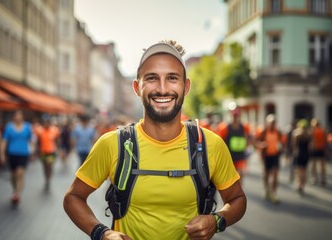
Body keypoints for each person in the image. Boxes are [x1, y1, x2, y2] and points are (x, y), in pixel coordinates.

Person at [64, 40, 247, 240]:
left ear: (185, 86)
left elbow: (237, 199)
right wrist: (102, 233)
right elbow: (73, 197)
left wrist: (217, 221)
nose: (162, 88)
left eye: (172, 78)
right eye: (152, 78)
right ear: (137, 87)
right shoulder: (113, 144)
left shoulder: (210, 145)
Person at [0, 110, 33, 206]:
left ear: (23, 117)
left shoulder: (27, 127)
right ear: (13, 117)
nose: (18, 117)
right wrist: (2, 154)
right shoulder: (9, 127)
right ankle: (14, 190)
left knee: (20, 173)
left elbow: (31, 140)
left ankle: (17, 194)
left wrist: (33, 150)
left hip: (23, 153)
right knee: (13, 175)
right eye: (16, 115)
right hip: (12, 154)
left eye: (20, 115)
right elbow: (4, 141)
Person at [256, 114, 284, 204]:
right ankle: (266, 189)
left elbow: (283, 142)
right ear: (267, 123)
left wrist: (281, 147)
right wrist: (261, 145)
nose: (272, 124)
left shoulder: (278, 132)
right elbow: (256, 142)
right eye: (271, 122)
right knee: (266, 174)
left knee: (275, 174)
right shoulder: (263, 132)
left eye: (274, 122)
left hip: (275, 156)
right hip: (266, 156)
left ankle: (274, 193)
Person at [218, 108, 251, 184]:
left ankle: (239, 191)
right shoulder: (224, 128)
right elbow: (220, 140)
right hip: (229, 155)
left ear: (239, 116)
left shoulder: (244, 127)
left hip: (240, 154)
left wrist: (248, 143)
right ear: (231, 116)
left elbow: (248, 137)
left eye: (237, 116)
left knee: (240, 173)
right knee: (230, 176)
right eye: (234, 116)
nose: (235, 117)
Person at [35, 115, 60, 191]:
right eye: (45, 122)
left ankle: (48, 178)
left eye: (48, 122)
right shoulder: (40, 131)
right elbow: (38, 141)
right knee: (45, 166)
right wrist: (36, 151)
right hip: (43, 151)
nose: (47, 124)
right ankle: (46, 178)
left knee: (49, 165)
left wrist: (58, 149)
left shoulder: (54, 130)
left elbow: (57, 140)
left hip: (51, 151)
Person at [291, 119, 312, 195]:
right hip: (306, 154)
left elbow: (293, 145)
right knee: (305, 170)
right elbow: (310, 146)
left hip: (299, 153)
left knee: (299, 170)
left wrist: (293, 152)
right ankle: (302, 185)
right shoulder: (308, 134)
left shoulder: (296, 133)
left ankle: (299, 184)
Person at [310, 118, 328, 186]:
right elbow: (325, 141)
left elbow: (312, 141)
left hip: (316, 149)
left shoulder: (313, 131)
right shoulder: (323, 130)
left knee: (315, 164)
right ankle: (322, 179)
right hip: (320, 149)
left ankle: (316, 178)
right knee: (321, 165)